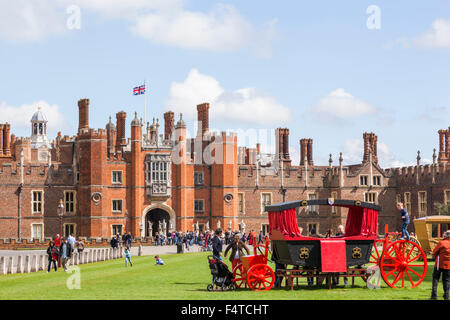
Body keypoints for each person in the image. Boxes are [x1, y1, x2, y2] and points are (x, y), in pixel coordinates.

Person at [430, 230, 450, 300]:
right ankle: (446, 296)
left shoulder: (442, 243)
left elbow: (434, 252)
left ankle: (434, 295)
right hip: (448, 265)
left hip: (439, 264)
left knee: (435, 279)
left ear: (446, 235)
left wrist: (434, 257)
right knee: (447, 280)